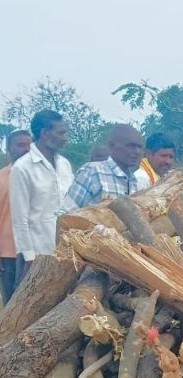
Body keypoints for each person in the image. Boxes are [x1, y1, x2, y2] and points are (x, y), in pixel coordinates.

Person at [9, 110, 73, 281]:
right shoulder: (23, 168)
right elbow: (19, 219)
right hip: (37, 255)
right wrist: (29, 258)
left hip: (66, 253)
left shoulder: (64, 165)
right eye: (61, 133)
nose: (65, 137)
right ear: (45, 133)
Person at [63, 124, 144, 210]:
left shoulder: (133, 180)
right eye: (131, 146)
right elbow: (66, 212)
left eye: (140, 147)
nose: (137, 152)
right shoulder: (93, 171)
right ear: (111, 146)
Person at [0, 130, 32, 301]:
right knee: (11, 302)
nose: (27, 149)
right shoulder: (1, 179)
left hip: (37, 252)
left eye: (29, 145)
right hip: (9, 253)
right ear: (9, 149)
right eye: (21, 145)